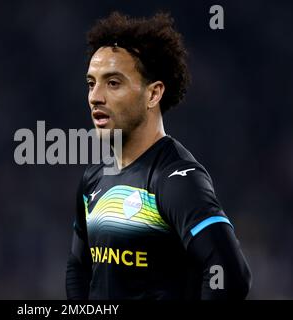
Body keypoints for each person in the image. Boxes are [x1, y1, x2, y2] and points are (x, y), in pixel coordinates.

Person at [66, 11, 251, 300]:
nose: (95, 97)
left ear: (153, 94)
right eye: (92, 83)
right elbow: (78, 267)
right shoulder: (94, 178)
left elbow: (230, 273)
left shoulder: (175, 178)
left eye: (113, 83)